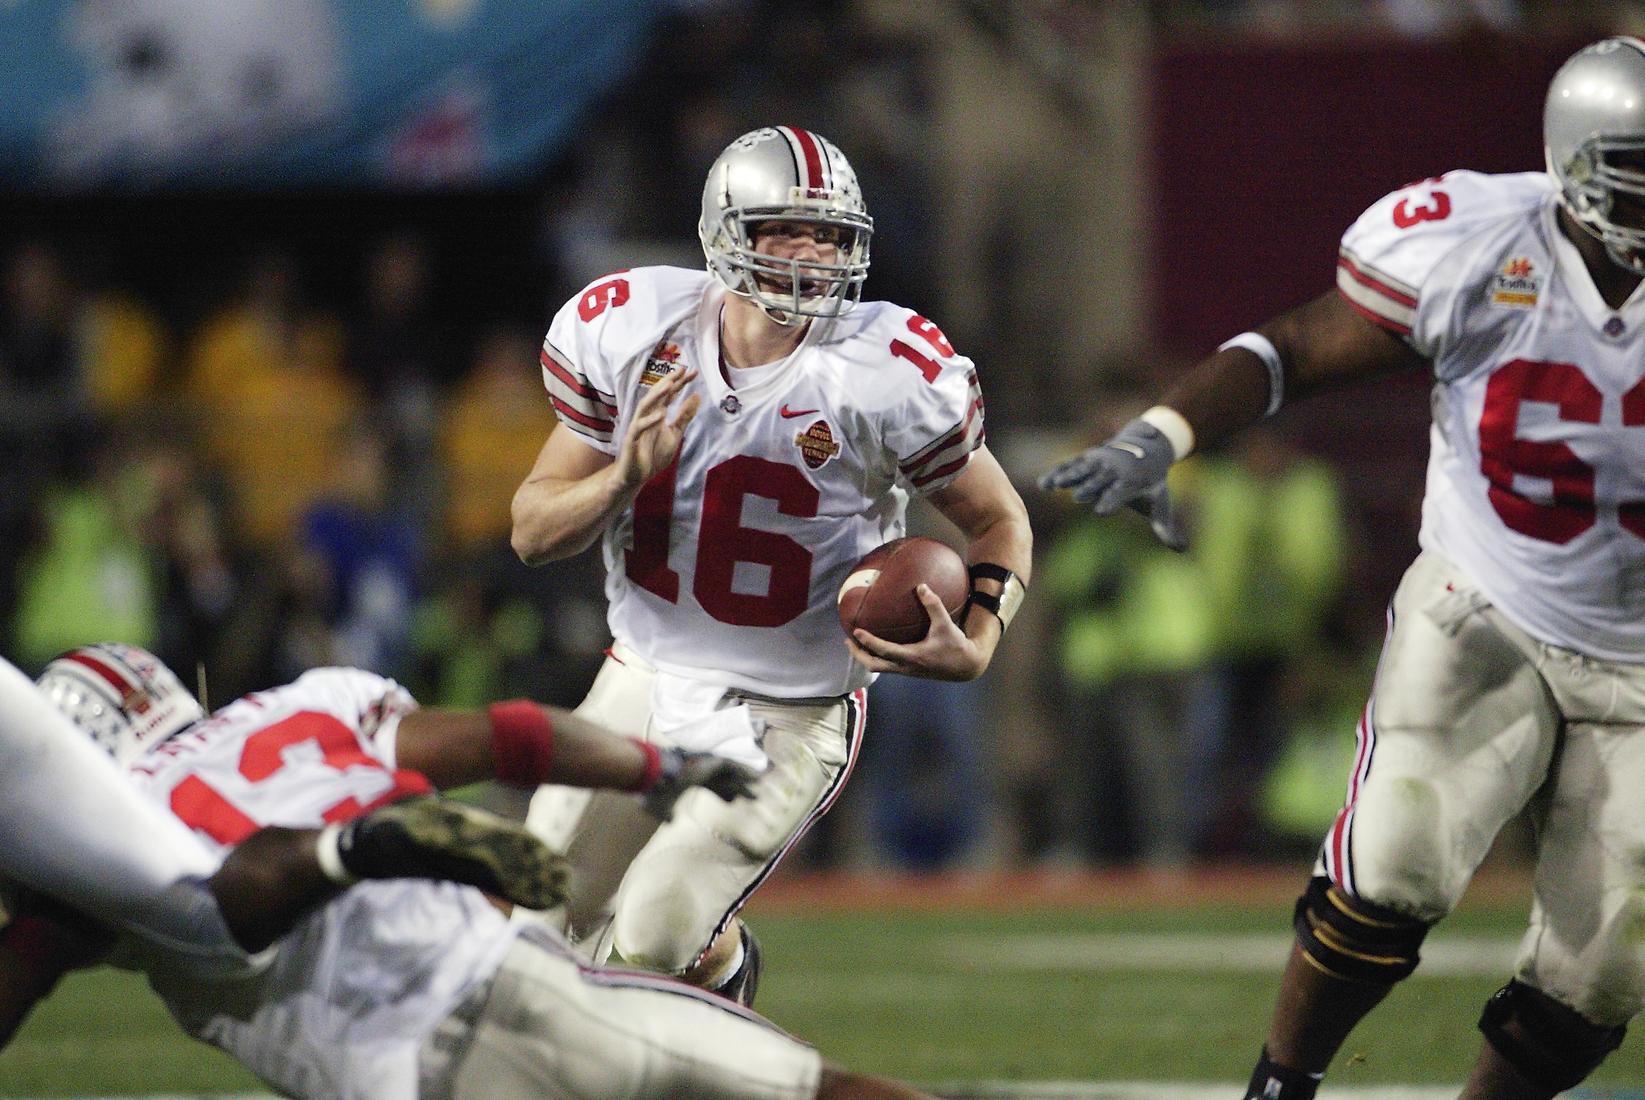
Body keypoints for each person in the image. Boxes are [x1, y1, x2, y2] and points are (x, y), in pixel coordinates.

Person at [1040, 37, 1645, 1100]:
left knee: (1605, 964)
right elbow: (1291, 349)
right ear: (1576, 169)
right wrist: (1163, 433)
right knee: (1393, 864)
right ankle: (1281, 1086)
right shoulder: (1475, 244)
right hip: (1488, 605)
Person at [511, 125, 1033, 1001]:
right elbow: (531, 531)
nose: (812, 255)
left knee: (655, 934)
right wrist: (620, 480)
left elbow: (999, 518)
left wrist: (980, 636)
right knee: (532, 921)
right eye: (787, 230)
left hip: (792, 708)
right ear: (726, 230)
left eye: (830, 235)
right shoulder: (635, 331)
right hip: (643, 674)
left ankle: (725, 974)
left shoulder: (886, 368)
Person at [0, 643, 936, 1100]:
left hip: (403, 1075)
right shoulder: (296, 709)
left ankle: (359, 853)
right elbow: (509, 735)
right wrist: (658, 770)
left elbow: (217, 903)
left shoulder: (97, 852)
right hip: (515, 978)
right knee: (813, 1090)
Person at [0, 647, 559, 979]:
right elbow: (462, 742)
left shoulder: (126, 818)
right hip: (471, 909)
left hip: (336, 971)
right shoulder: (297, 701)